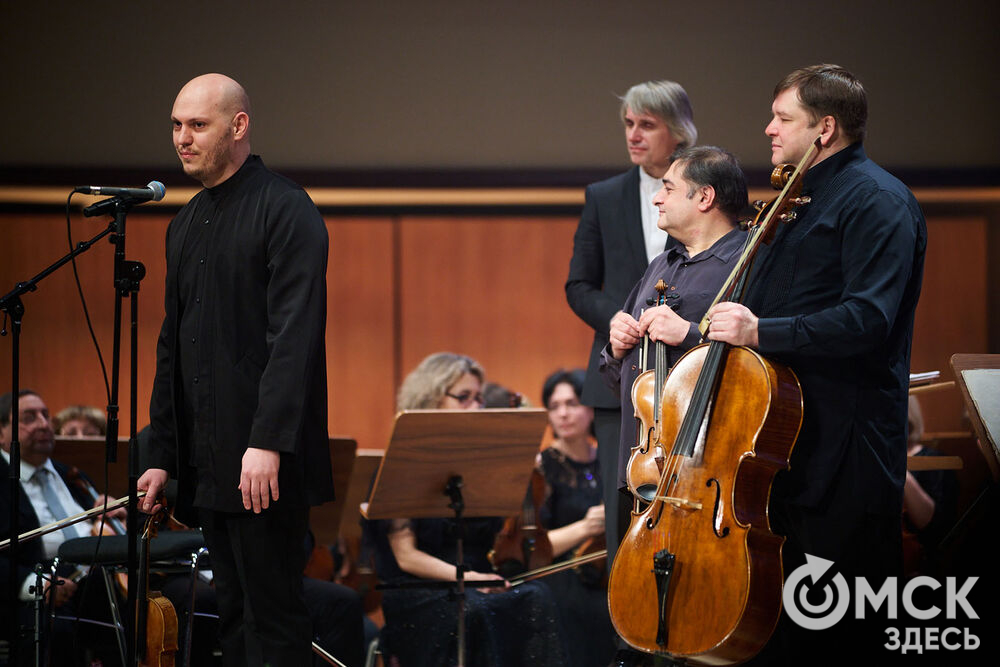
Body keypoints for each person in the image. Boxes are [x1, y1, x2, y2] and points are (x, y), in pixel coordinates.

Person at [704, 65, 926, 663]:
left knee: (838, 633)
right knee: (780, 634)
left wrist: (760, 330)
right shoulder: (792, 196)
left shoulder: (878, 200)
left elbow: (869, 319)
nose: (768, 129)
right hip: (779, 448)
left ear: (825, 128)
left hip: (842, 455)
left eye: (783, 119)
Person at [138, 73, 333, 667]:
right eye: (176, 125)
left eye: (197, 125)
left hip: (264, 463)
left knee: (273, 620)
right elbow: (174, 348)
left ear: (238, 126)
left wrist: (267, 441)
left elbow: (293, 338)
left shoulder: (285, 208)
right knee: (233, 620)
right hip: (209, 463)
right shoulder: (184, 222)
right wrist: (160, 454)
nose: (182, 139)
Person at [565, 80, 697, 567]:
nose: (634, 135)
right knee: (623, 517)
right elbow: (578, 286)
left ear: (678, 132)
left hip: (688, 375)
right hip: (617, 380)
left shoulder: (704, 188)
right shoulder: (603, 196)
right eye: (628, 124)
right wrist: (616, 317)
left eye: (647, 124)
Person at [365, 352, 567, 666]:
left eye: (479, 398)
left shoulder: (479, 466)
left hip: (476, 581)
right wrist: (470, 578)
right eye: (464, 397)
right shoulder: (404, 462)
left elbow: (498, 541)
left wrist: (518, 471)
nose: (476, 406)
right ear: (431, 399)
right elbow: (406, 556)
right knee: (473, 611)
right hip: (421, 590)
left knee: (537, 597)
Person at [600, 146, 749, 498]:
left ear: (704, 197)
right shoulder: (660, 266)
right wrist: (617, 348)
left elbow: (760, 365)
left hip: (706, 470)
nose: (656, 199)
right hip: (641, 467)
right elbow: (618, 382)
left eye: (668, 189)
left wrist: (689, 334)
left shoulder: (747, 262)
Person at [0, 389, 125, 665]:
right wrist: (35, 583)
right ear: (1, 432)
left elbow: (103, 524)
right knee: (54, 628)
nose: (44, 424)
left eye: (46, 415)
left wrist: (112, 515)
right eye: (29, 418)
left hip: (96, 578)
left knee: (150, 608)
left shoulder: (71, 474)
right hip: (34, 583)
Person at [534, 368, 615, 667]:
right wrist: (585, 527)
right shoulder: (543, 466)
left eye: (572, 403)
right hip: (560, 575)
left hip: (606, 570)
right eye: (554, 407)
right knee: (594, 611)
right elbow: (533, 547)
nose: (563, 414)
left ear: (591, 407)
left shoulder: (609, 458)